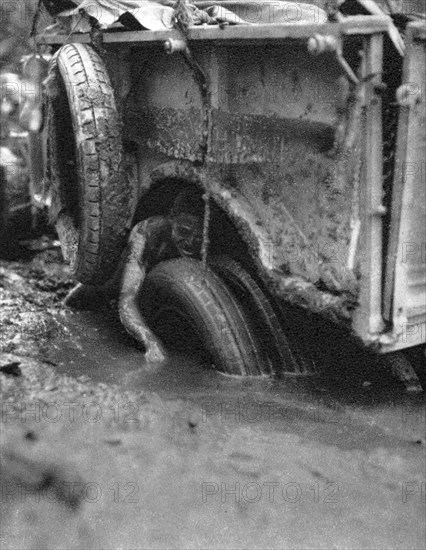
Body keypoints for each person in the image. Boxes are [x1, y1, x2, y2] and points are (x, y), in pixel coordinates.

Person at [64, 189, 205, 364]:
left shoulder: (206, 244)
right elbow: (127, 300)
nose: (191, 242)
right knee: (73, 311)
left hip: (150, 293)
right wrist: (150, 341)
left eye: (198, 237)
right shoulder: (147, 233)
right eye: (184, 231)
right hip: (109, 287)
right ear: (171, 220)